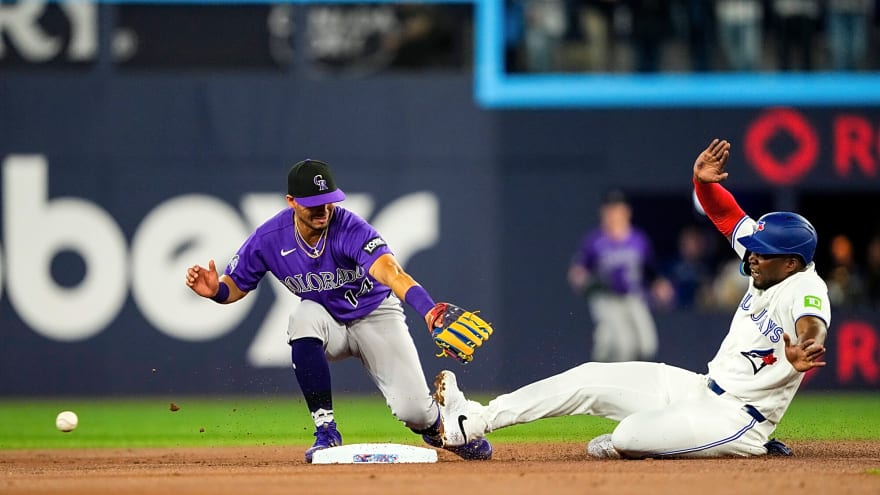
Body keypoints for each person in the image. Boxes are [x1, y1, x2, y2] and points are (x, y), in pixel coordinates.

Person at [432, 138, 829, 459]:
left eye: (762, 251)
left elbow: (810, 324)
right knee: (588, 377)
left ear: (793, 262)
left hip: (738, 419)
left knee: (625, 437)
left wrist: (805, 347)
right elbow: (727, 217)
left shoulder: (805, 288)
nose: (752, 254)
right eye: (753, 247)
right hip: (701, 388)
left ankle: (725, 446)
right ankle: (475, 420)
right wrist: (703, 185)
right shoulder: (768, 262)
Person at [184, 159, 492, 463]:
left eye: (328, 201)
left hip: (376, 315)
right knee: (302, 319)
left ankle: (443, 428)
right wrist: (216, 293)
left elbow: (392, 273)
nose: (323, 210)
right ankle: (325, 430)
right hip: (326, 318)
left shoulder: (351, 229)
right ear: (291, 201)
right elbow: (235, 285)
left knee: (414, 412)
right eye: (313, 203)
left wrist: (428, 310)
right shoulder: (269, 238)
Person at [567, 188, 662, 362]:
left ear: (627, 211)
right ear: (602, 212)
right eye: (610, 209)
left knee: (648, 345)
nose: (614, 214)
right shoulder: (595, 240)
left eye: (617, 208)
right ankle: (608, 378)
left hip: (633, 297)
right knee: (623, 346)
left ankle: (603, 338)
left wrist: (659, 285)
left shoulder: (638, 239)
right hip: (607, 298)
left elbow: (650, 270)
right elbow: (577, 271)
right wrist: (585, 281)